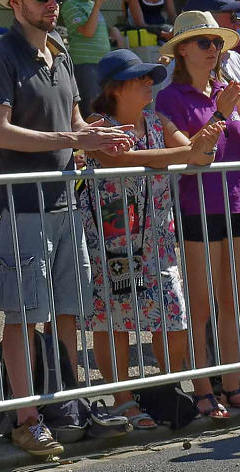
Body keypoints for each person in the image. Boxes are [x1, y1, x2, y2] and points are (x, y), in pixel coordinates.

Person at [0, 0, 137, 459]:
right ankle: (27, 417)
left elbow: (72, 119)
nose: (52, 5)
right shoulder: (0, 57)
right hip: (23, 205)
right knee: (24, 314)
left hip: (66, 200)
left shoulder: (61, 51)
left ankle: (69, 404)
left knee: (68, 309)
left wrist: (97, 134)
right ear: (17, 3)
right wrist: (74, 137)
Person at [81, 49, 227, 427]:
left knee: (172, 315)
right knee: (114, 321)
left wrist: (219, 119)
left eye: (150, 77)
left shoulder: (156, 121)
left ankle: (161, 389)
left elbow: (200, 156)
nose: (149, 83)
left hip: (157, 237)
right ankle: (123, 399)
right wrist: (188, 151)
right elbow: (120, 161)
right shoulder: (98, 122)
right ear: (116, 88)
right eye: (140, 78)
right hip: (110, 238)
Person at [155, 12, 240, 420]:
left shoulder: (227, 90)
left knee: (233, 302)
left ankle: (232, 386)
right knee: (200, 305)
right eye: (204, 42)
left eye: (217, 43)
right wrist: (223, 114)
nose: (213, 50)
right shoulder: (170, 98)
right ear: (182, 49)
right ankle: (203, 389)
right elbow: (194, 157)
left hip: (237, 204)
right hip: (196, 208)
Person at [58, 0, 113, 115]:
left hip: (103, 63)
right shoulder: (70, 5)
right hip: (85, 64)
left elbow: (95, 30)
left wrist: (113, 32)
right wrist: (97, 6)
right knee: (92, 109)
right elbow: (87, 32)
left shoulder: (91, 4)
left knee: (106, 107)